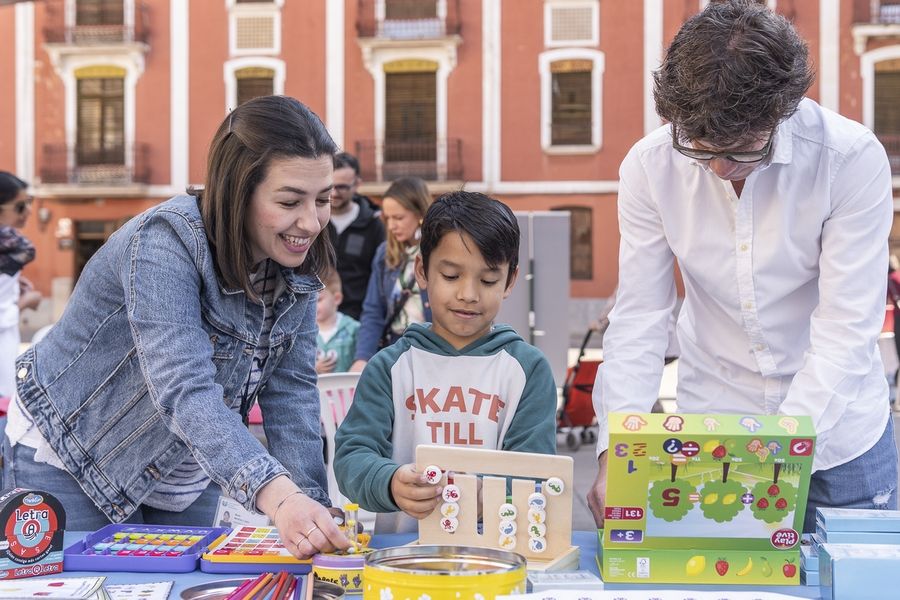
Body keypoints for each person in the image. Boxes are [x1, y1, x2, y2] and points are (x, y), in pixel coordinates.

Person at [588, 0, 897, 534]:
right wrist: (618, 446)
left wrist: (778, 452)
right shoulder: (649, 166)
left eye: (739, 151)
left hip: (843, 438)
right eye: (698, 147)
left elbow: (847, 328)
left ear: (783, 111)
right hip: (715, 421)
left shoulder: (849, 159)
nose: (717, 166)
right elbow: (640, 318)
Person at [2, 96, 350, 558]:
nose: (310, 222)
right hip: (76, 456)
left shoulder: (297, 264)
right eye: (289, 201)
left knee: (185, 586)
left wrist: (310, 505)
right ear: (238, 191)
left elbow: (292, 392)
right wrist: (281, 498)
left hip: (186, 469)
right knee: (86, 586)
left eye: (323, 200)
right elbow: (184, 386)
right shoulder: (164, 241)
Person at [333, 191, 558, 533]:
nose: (468, 294)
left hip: (499, 552)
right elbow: (352, 457)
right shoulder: (389, 368)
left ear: (510, 281)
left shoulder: (528, 370)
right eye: (451, 276)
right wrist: (390, 482)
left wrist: (492, 496)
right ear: (422, 271)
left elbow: (538, 472)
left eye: (488, 280)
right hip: (405, 553)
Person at [351, 177, 433, 370]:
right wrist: (363, 357)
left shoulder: (439, 252)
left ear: (420, 213)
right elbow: (373, 310)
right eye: (387, 218)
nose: (391, 226)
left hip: (433, 351)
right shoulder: (384, 253)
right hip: (395, 351)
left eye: (398, 218)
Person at [327, 152, 385, 321]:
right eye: (330, 186)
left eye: (342, 187)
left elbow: (380, 276)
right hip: (316, 319)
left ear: (357, 184)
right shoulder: (312, 221)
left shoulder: (374, 225)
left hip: (359, 319)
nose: (334, 193)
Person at [0, 173, 40, 411]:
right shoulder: (10, 251)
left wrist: (14, 282)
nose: (28, 212)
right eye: (20, 206)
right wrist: (25, 302)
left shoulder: (8, 253)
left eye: (29, 203)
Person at [316, 268, 360, 374]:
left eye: (318, 300)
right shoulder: (304, 331)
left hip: (346, 384)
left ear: (337, 299)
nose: (312, 306)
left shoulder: (353, 329)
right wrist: (313, 368)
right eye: (309, 300)